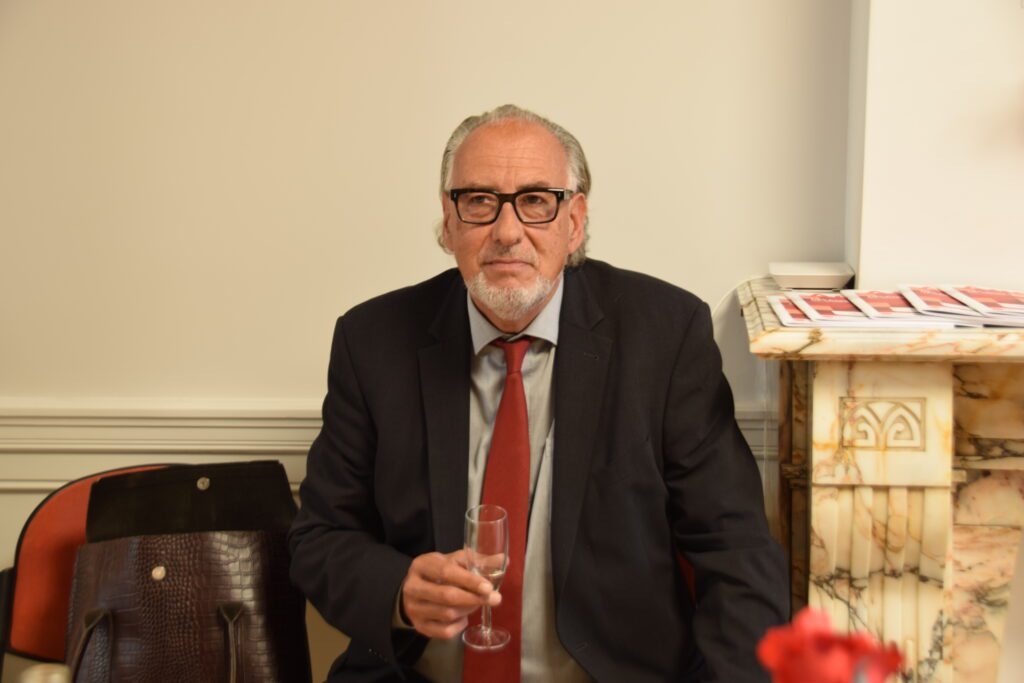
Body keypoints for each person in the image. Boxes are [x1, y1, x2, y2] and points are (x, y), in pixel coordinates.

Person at [289, 104, 788, 683]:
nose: (507, 232)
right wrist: (398, 592)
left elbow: (736, 550)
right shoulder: (372, 342)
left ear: (574, 222)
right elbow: (319, 538)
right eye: (480, 201)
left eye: (535, 201)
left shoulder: (666, 336)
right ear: (448, 223)